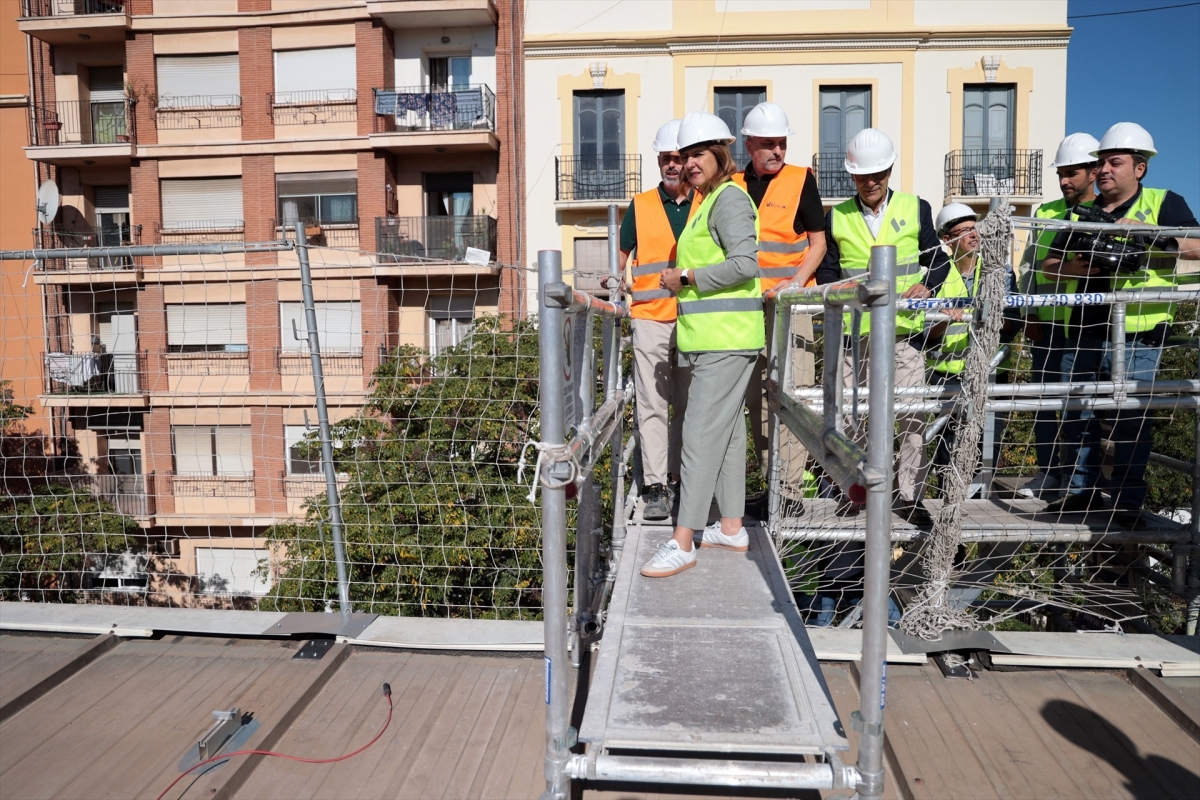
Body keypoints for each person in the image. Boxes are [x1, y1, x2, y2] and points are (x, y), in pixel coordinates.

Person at [1040, 122, 1200, 527]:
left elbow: (1198, 246)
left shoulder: (1165, 203)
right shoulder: (1083, 213)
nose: (1104, 170)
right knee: (1077, 413)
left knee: (1131, 418)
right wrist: (1082, 265)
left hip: (1139, 333)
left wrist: (1153, 234)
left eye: (1115, 162)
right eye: (1102, 163)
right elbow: (1050, 266)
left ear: (1140, 168)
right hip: (1085, 327)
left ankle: (1126, 501)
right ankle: (1080, 495)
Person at [640, 111, 762, 578]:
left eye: (697, 154)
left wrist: (685, 276)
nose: (689, 163)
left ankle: (683, 539)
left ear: (719, 154)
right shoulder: (708, 200)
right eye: (684, 155)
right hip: (716, 339)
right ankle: (730, 527)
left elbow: (746, 264)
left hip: (726, 340)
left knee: (696, 436)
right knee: (727, 435)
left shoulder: (728, 200)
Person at [816, 128, 952, 526]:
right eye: (862, 176)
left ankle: (909, 498)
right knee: (851, 418)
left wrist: (929, 285)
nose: (871, 183)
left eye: (878, 174)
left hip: (903, 334)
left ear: (890, 170)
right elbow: (828, 271)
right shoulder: (836, 216)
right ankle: (855, 492)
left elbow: (938, 260)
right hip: (851, 338)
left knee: (910, 418)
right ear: (851, 176)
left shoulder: (915, 207)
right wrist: (835, 287)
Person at [732, 102, 827, 515]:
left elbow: (818, 243)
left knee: (791, 395)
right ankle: (771, 484)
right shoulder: (732, 183)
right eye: (769, 144)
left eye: (783, 144)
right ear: (748, 144)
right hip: (747, 306)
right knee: (757, 398)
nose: (778, 152)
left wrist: (793, 283)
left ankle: (789, 492)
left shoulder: (800, 180)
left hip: (791, 305)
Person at [1017, 133, 1101, 502]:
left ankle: (1076, 480)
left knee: (1079, 406)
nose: (1065, 181)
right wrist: (1030, 311)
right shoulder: (1046, 213)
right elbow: (1029, 268)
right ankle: (1048, 474)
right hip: (1047, 324)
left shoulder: (1106, 215)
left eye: (1072, 173)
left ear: (1094, 171)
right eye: (1061, 174)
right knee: (1043, 402)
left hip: (1087, 326)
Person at [620, 120, 695, 521]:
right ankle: (655, 487)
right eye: (665, 158)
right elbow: (623, 257)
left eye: (678, 158)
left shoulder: (704, 202)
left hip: (695, 318)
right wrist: (618, 284)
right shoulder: (641, 204)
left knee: (688, 406)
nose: (671, 165)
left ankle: (681, 478)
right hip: (650, 318)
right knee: (652, 403)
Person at [925, 203, 1019, 481]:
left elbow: (1013, 322)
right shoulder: (936, 275)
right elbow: (926, 334)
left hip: (991, 372)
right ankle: (947, 501)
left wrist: (982, 317)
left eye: (974, 227)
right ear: (947, 239)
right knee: (947, 447)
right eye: (963, 230)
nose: (972, 234)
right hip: (947, 375)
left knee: (986, 444)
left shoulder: (1000, 273)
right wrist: (945, 320)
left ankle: (979, 503)